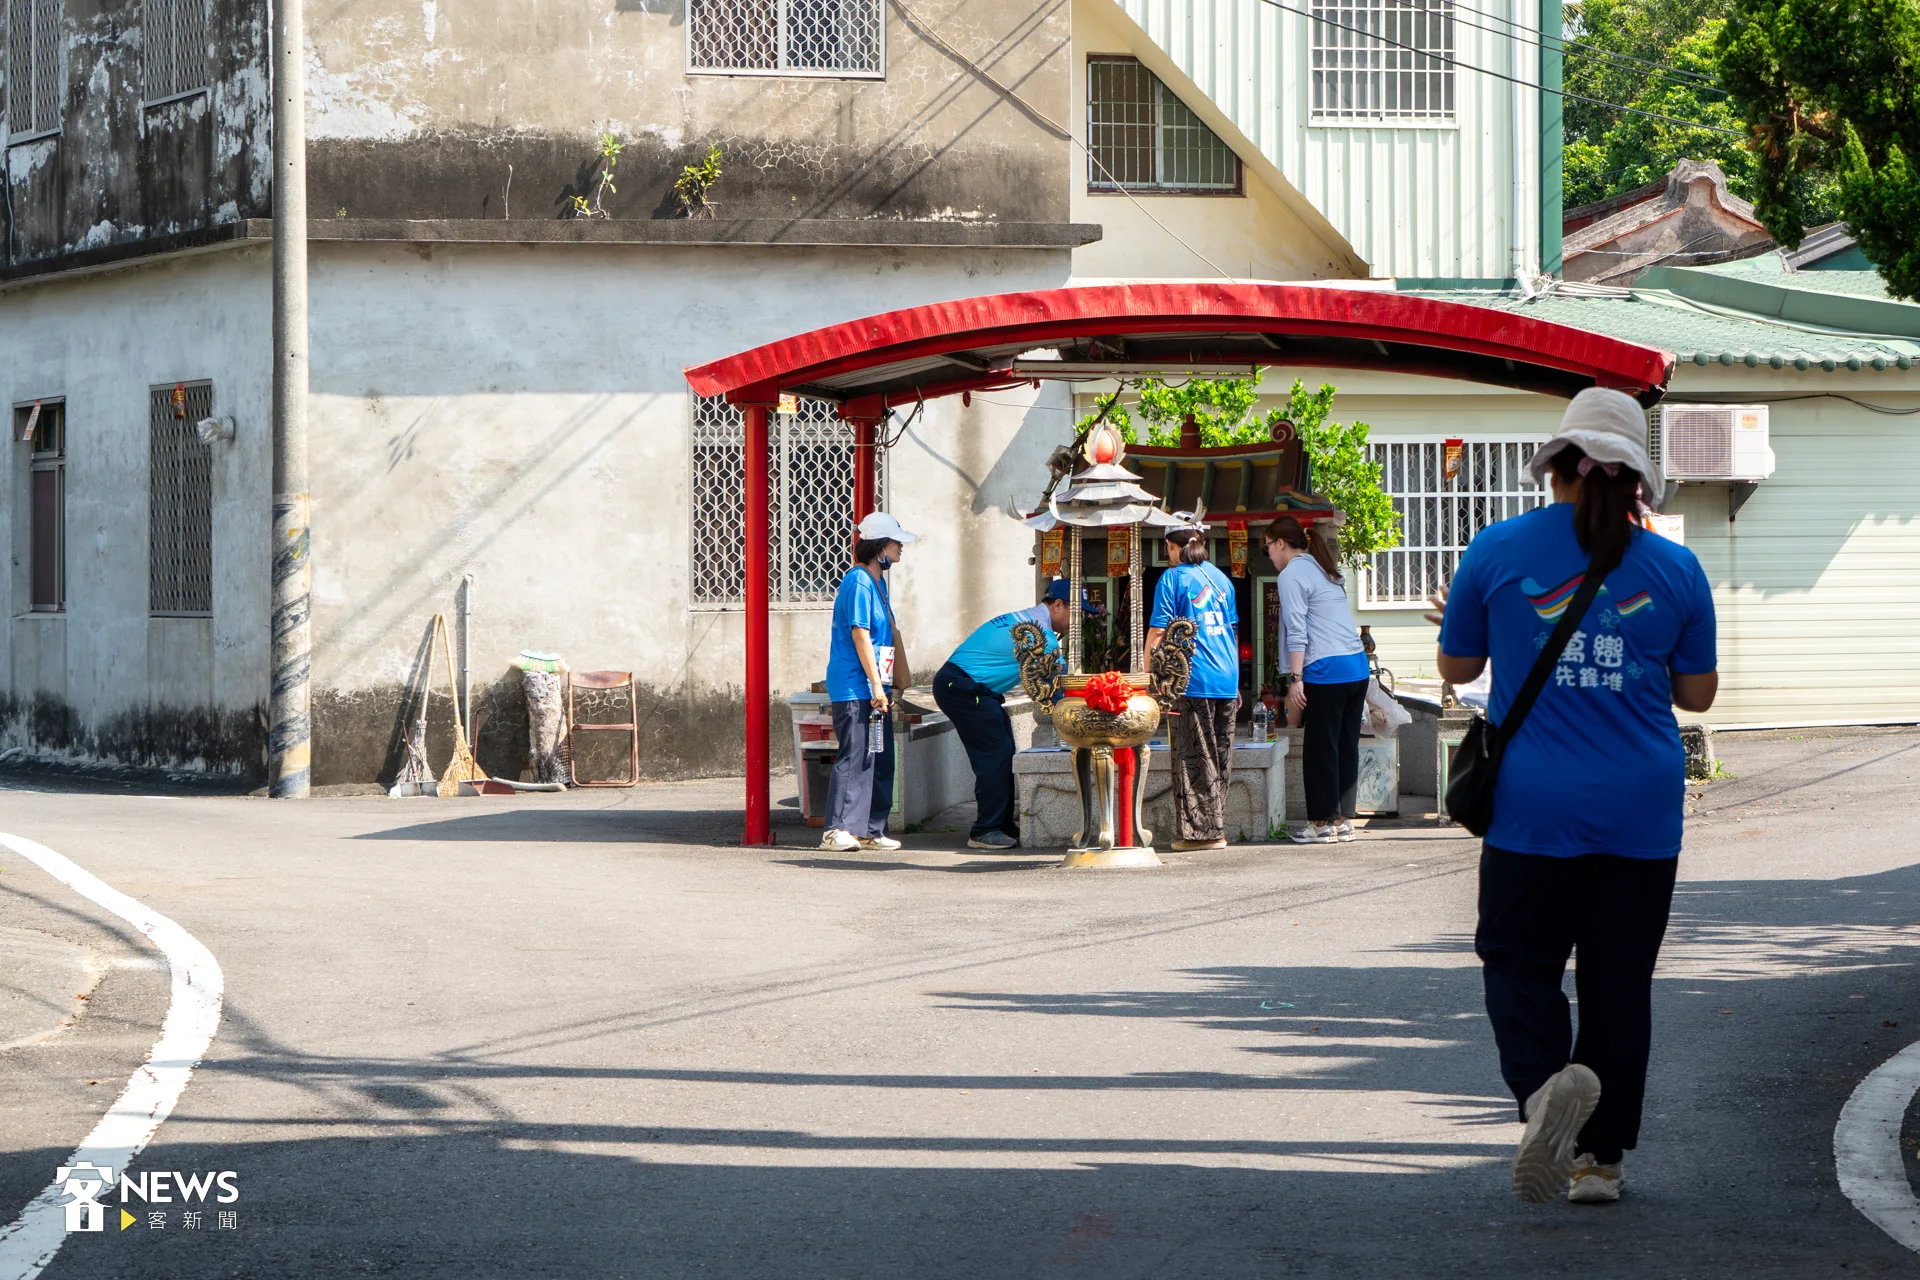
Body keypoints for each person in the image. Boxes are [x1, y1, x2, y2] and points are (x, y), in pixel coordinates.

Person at [1433, 388, 1717, 1206]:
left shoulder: (1497, 549)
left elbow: (1457, 668)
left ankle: (1542, 1090)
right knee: (1618, 985)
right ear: (1637, 481)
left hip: (1532, 810)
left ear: (1556, 465)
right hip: (1641, 812)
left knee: (1518, 965)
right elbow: (1697, 694)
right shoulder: (1676, 567)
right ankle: (1599, 1163)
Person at [933, 579, 1094, 851]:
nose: (1077, 622)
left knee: (1003, 751)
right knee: (994, 755)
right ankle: (985, 830)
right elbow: (1062, 686)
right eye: (1075, 612)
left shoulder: (1027, 619)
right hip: (962, 687)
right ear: (1058, 605)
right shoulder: (1040, 635)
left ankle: (1001, 824)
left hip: (972, 688)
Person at [1264, 516, 1370, 844]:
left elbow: (1298, 631)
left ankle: (1321, 824)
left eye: (1268, 547)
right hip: (1357, 666)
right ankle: (1343, 820)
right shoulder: (1324, 567)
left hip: (1327, 669)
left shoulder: (1292, 574)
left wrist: (1296, 679)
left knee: (1320, 748)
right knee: (1345, 745)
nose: (1269, 554)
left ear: (1280, 543)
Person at [820, 511, 919, 854]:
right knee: (856, 756)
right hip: (856, 687)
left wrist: (882, 686)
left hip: (875, 687)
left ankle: (870, 829)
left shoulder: (877, 583)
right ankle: (836, 829)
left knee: (878, 756)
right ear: (879, 547)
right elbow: (860, 635)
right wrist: (876, 685)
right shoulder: (858, 582)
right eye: (895, 543)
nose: (901, 548)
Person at [1146, 517, 1239, 851]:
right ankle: (1216, 829)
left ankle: (1202, 835)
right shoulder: (1221, 579)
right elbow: (1232, 631)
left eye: (1168, 549)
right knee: (1218, 757)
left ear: (1171, 547)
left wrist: (1146, 675)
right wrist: (1236, 683)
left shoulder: (1172, 578)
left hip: (1192, 677)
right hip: (1226, 677)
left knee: (1193, 758)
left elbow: (1158, 631)